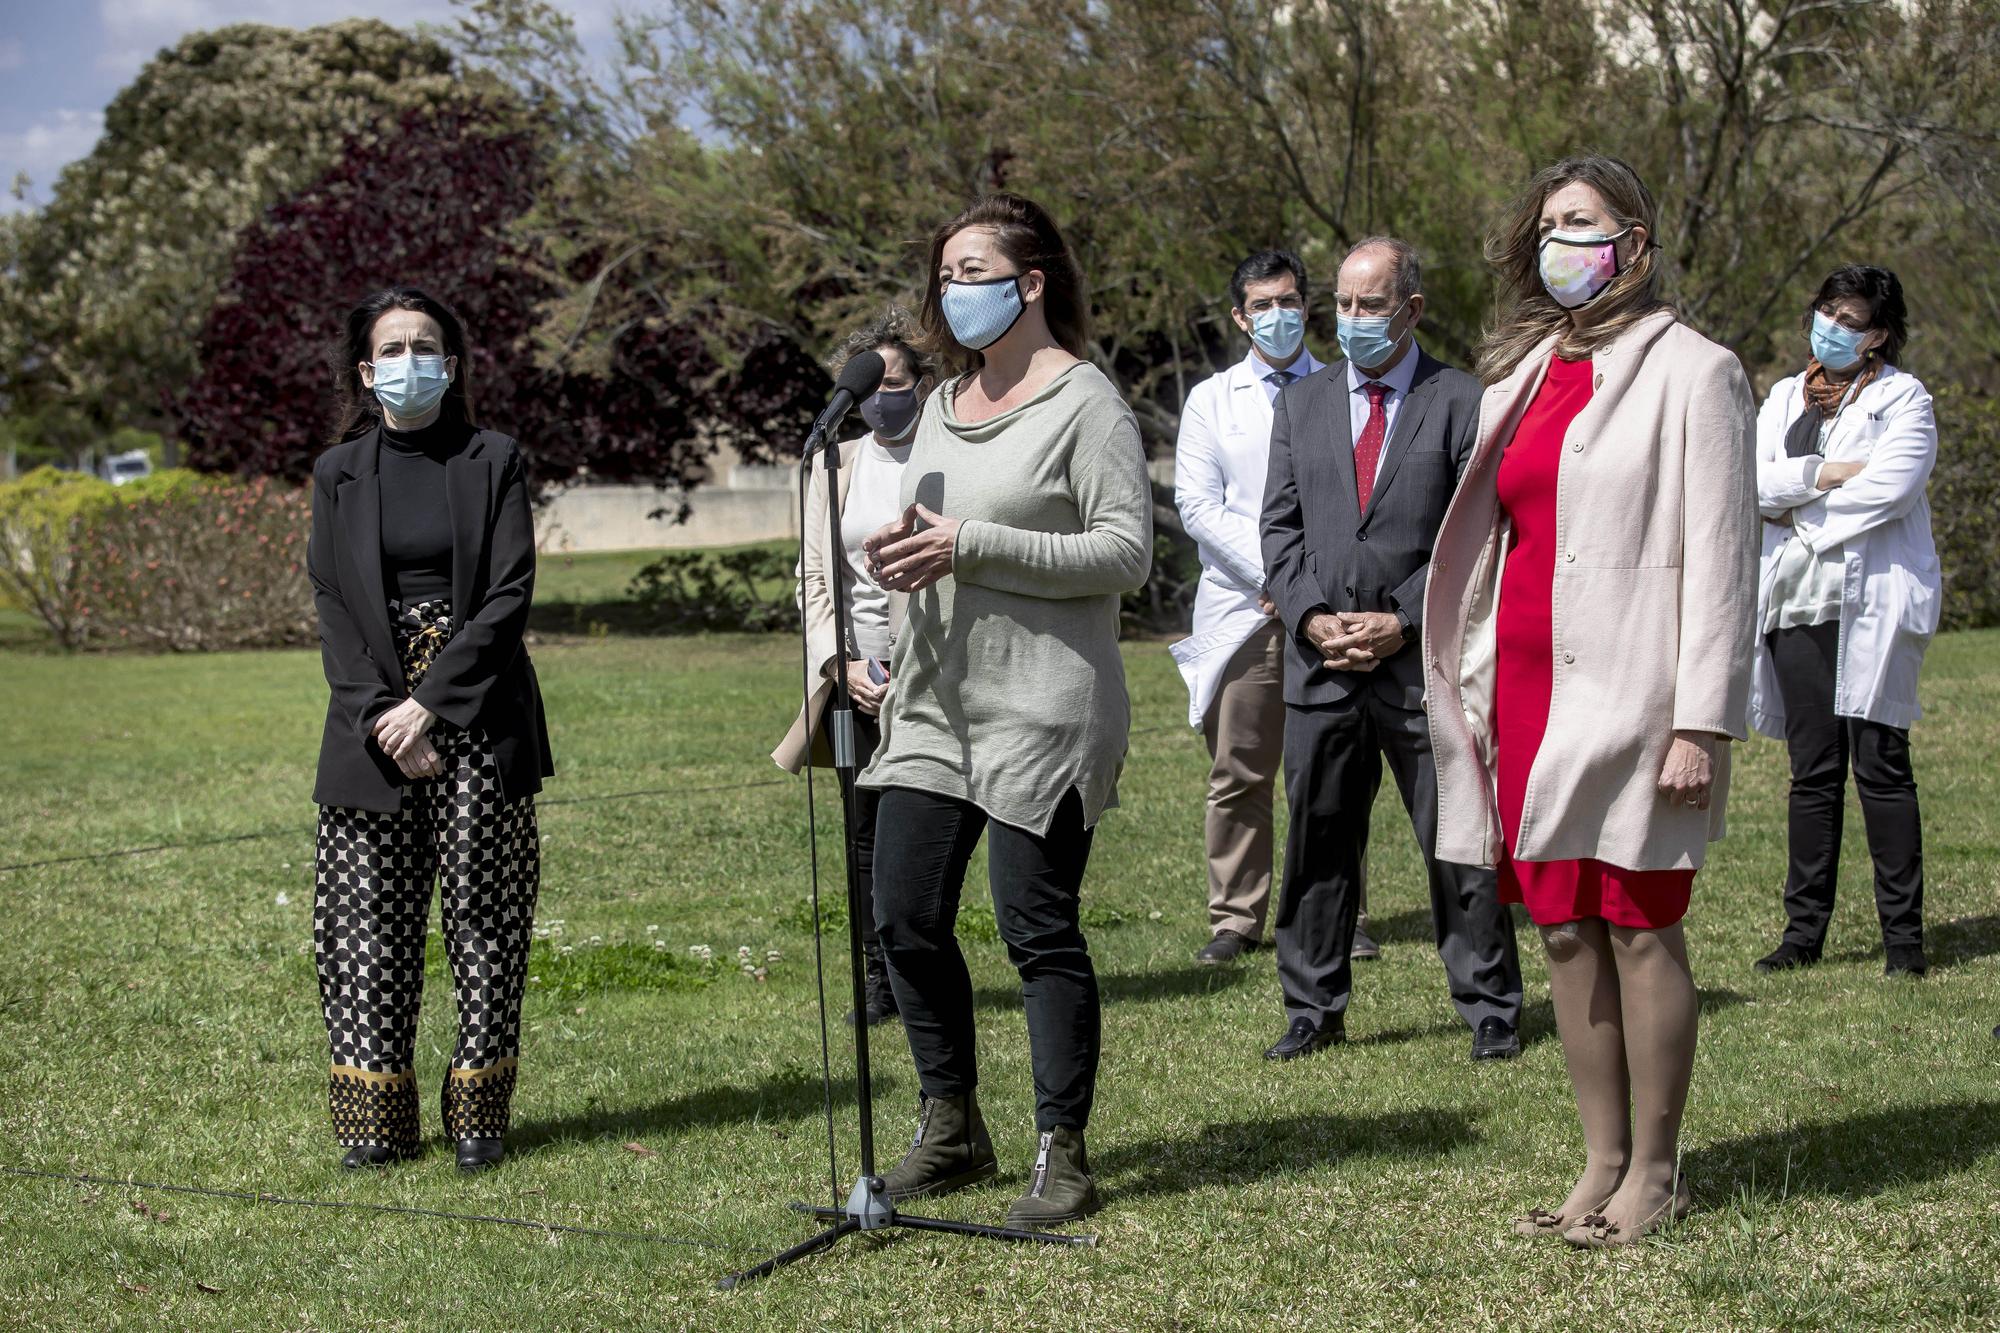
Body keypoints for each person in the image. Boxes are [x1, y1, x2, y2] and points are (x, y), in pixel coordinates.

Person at [1426, 155, 1757, 1246]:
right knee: (1563, 932)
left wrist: (1699, 720)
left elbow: (1720, 556)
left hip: (1638, 699)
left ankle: (1654, 1172)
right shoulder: (1518, 375)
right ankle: (1598, 1161)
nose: (1562, 242)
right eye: (1547, 227)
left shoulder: (1693, 371)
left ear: (1633, 239)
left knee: (1639, 926)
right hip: (1523, 697)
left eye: (1584, 222)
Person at [857, 193, 1152, 1228]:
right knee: (903, 916)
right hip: (936, 705)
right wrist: (901, 562)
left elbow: (1126, 555)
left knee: (1036, 927)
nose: (953, 292)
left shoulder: (1086, 404)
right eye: (945, 274)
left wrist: (970, 546)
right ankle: (950, 1127)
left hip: (1044, 711)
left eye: (973, 271)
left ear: (1028, 283)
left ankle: (1059, 1152)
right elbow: (939, 535)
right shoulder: (937, 404)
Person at [1260, 236, 1524, 1063]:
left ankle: (1490, 1007)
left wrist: (1403, 619)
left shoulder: (1460, 401)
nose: (1350, 321)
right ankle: (1312, 1005)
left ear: (1411, 309)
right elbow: (1280, 530)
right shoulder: (1299, 405)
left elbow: (1479, 534)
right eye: (1341, 304)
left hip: (1423, 666)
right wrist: (1310, 619)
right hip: (1322, 664)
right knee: (1319, 842)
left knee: (1455, 837)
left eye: (1369, 306)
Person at [307, 287, 553, 1173]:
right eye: (394, 347)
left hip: (479, 714)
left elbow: (508, 594)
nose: (412, 359)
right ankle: (375, 1120)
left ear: (450, 363)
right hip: (368, 723)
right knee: (365, 920)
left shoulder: (494, 459)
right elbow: (333, 602)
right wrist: (383, 713)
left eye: (427, 344)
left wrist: (431, 705)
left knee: (485, 918)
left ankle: (479, 1113)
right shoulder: (338, 472)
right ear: (367, 373)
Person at [1749, 265, 1938, 979]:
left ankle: (1904, 943)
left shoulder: (1903, 399)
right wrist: (1823, 475)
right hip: (1795, 601)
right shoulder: (1780, 397)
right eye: (1826, 311)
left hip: (1872, 600)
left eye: (1850, 320)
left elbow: (1891, 488)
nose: (1831, 327)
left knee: (1882, 768)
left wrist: (1795, 507)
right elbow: (1751, 479)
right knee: (1813, 772)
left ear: (1879, 335)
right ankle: (1803, 935)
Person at [1172, 249, 1339, 966]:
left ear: (1308, 306)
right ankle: (1236, 917)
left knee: (1330, 768)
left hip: (1326, 609)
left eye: (1290, 300)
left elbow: (1354, 502)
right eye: (1262, 304)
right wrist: (1278, 570)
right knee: (1240, 769)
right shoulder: (1213, 399)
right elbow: (1199, 506)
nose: (1278, 315)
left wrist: (1306, 579)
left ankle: (1338, 912)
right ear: (1240, 317)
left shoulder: (1341, 389)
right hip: (1246, 609)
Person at [772, 311, 933, 1025]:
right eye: (868, 387)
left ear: (923, 384)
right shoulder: (831, 465)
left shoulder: (948, 453)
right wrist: (841, 663)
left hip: (933, 673)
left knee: (926, 825)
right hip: (851, 685)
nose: (881, 399)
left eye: (895, 382)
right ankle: (879, 977)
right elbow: (812, 577)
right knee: (863, 829)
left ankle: (922, 955)